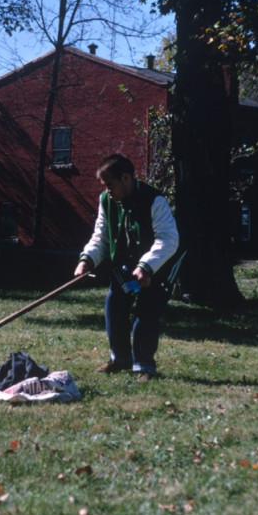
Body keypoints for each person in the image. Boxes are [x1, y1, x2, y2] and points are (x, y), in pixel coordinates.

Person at [74, 153, 179, 381]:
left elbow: (168, 239)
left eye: (110, 185)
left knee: (146, 314)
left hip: (157, 267)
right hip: (125, 268)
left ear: (125, 178)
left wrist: (147, 266)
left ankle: (144, 366)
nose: (108, 191)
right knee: (114, 306)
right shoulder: (107, 201)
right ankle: (120, 359)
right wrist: (86, 261)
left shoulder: (154, 200)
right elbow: (100, 237)